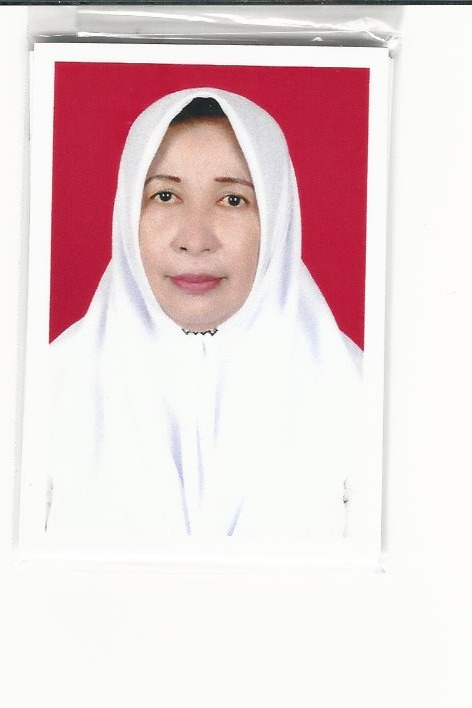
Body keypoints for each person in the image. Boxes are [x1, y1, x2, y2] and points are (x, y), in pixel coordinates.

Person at [43, 87, 367, 549]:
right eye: (165, 195)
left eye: (232, 200)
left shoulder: (360, 395)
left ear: (277, 216)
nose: (195, 239)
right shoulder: (45, 388)